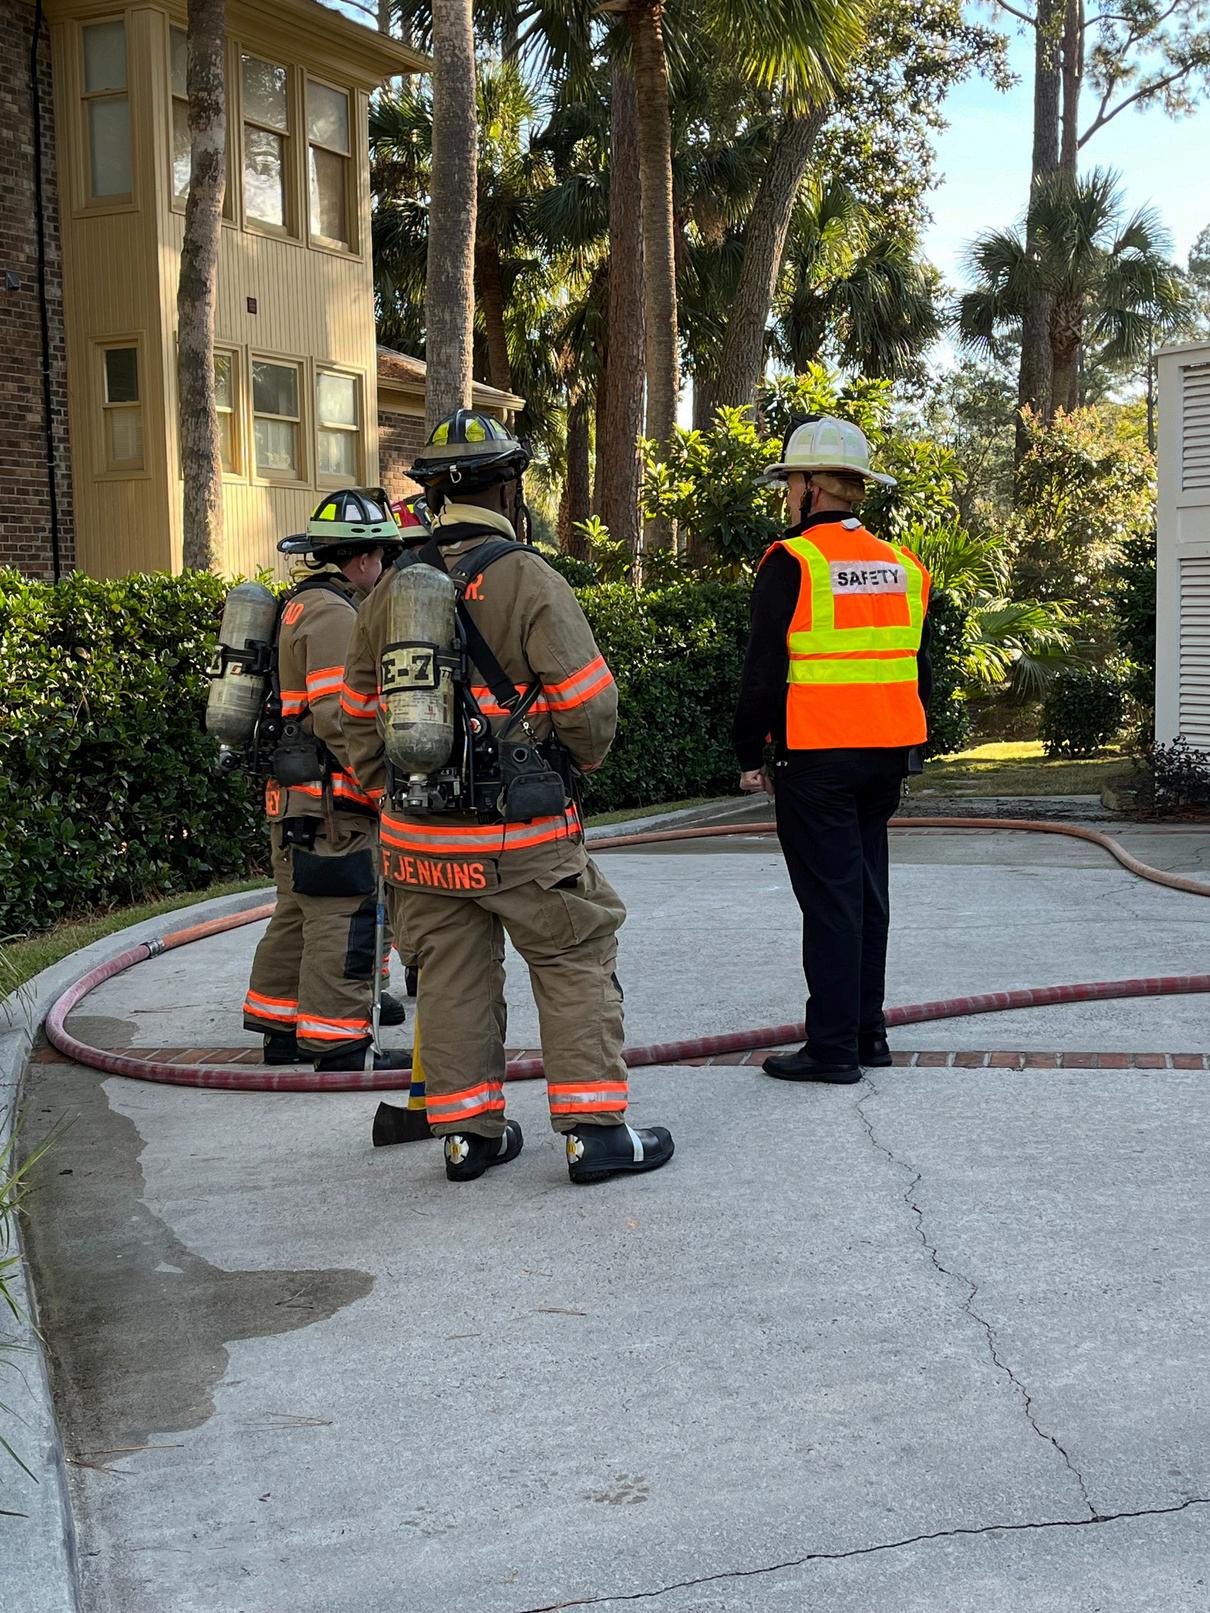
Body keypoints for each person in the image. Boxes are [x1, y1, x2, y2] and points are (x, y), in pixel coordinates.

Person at [341, 410, 674, 1185]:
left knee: (451, 979)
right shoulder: (528, 578)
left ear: (433, 495)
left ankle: (468, 1138)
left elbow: (354, 713)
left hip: (419, 843)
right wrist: (575, 763)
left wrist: (391, 792)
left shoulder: (391, 591)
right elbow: (589, 705)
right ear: (507, 489)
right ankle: (594, 1133)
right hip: (520, 837)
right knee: (574, 956)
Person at [732, 415, 932, 1083]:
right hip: (886, 754)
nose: (788, 493)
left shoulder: (792, 561)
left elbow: (763, 671)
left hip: (817, 757)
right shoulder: (902, 566)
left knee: (831, 903)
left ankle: (833, 1048)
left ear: (812, 488)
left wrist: (747, 752)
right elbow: (918, 669)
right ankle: (867, 1032)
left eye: (791, 482)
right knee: (867, 895)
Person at [242, 489, 410, 1071]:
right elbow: (338, 717)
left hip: (298, 801)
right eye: (381, 558)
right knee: (344, 912)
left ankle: (281, 1028)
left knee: (297, 911)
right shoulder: (336, 615)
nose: (382, 570)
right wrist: (381, 784)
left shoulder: (299, 604)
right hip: (332, 806)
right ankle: (340, 1045)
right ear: (362, 558)